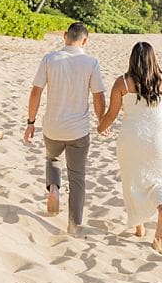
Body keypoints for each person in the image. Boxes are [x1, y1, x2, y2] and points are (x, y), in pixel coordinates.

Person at [23, 22, 106, 235]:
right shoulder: (91, 62)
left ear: (64, 35)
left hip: (52, 126)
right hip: (78, 130)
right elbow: (98, 96)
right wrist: (101, 121)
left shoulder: (50, 59)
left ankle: (53, 188)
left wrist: (31, 122)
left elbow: (35, 92)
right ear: (85, 41)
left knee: (52, 159)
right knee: (77, 176)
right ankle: (74, 223)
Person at [97, 41, 162, 253]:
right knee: (160, 181)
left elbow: (111, 115)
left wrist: (100, 127)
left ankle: (139, 228)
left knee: (133, 181)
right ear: (153, 59)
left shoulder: (122, 82)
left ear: (132, 59)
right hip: (160, 138)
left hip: (132, 139)